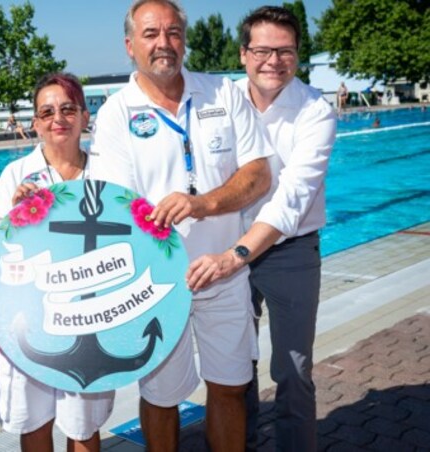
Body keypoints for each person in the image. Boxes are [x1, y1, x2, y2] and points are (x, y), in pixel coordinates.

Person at [89, 1, 272, 450]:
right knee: (161, 396)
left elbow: (258, 175)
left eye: (173, 33)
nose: (164, 43)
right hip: (158, 284)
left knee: (230, 387)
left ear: (184, 40)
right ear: (131, 45)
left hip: (223, 271)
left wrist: (202, 203)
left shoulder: (223, 94)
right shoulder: (116, 113)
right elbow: (116, 206)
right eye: (151, 34)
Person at [186, 6, 336, 451]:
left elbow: (292, 197)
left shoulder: (315, 111)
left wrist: (236, 257)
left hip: (288, 250)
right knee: (235, 366)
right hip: (225, 238)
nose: (274, 60)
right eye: (263, 50)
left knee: (293, 368)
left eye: (285, 51)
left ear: (298, 54)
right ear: (244, 53)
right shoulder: (220, 103)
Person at [0, 72, 114, 452]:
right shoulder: (15, 176)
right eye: (48, 111)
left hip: (92, 319)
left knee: (83, 426)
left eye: (68, 108)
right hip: (31, 318)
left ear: (85, 116)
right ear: (36, 123)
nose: (59, 118)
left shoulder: (108, 173)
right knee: (35, 421)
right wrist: (17, 219)